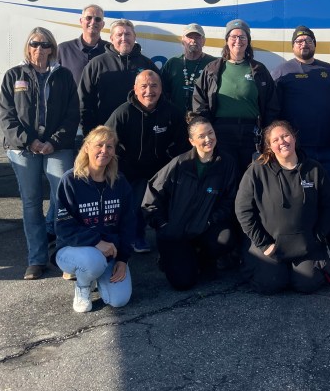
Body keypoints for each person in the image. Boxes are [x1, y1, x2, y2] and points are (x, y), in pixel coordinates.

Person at [0, 27, 78, 280]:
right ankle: (36, 259)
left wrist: (53, 142)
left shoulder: (63, 75)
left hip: (57, 146)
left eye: (45, 45)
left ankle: (64, 254)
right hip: (23, 148)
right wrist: (29, 141)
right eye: (35, 44)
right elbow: (6, 115)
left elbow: (72, 113)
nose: (40, 49)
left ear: (52, 48)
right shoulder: (14, 75)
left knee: (62, 197)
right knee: (31, 202)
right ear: (28, 46)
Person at [235, 121, 330, 294]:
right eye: (275, 140)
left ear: (294, 137)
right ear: (269, 146)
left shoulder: (314, 169)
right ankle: (268, 268)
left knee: (307, 284)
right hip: (270, 245)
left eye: (285, 135)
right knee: (271, 284)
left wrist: (318, 237)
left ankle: (298, 271)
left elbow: (328, 205)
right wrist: (264, 243)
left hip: (306, 246)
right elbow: (243, 210)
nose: (282, 141)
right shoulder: (257, 171)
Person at [142, 115, 238, 290]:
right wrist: (163, 225)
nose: (208, 139)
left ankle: (204, 260)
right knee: (183, 283)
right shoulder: (179, 164)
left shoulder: (227, 163)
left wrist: (211, 220)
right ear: (192, 141)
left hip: (204, 229)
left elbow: (230, 200)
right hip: (175, 232)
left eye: (210, 133)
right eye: (202, 136)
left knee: (226, 238)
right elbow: (152, 198)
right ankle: (172, 257)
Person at [106, 70, 188, 254]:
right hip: (130, 170)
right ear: (135, 89)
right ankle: (136, 236)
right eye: (143, 86)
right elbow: (105, 141)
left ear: (161, 89)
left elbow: (183, 144)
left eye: (153, 85)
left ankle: (169, 238)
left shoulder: (172, 112)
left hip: (161, 170)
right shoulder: (122, 113)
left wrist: (171, 163)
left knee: (168, 203)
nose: (148, 91)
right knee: (135, 203)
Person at [54, 126, 135, 312]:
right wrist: (96, 241)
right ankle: (83, 285)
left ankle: (96, 275)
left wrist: (123, 259)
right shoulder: (70, 180)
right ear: (87, 148)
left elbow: (128, 224)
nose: (104, 151)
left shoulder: (120, 182)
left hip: (109, 252)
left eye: (109, 146)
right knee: (93, 261)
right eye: (99, 145)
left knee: (119, 300)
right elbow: (63, 227)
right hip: (73, 249)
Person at [271, 26, 330, 221]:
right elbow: (272, 111)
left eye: (308, 40)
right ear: (293, 46)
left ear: (315, 44)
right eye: (299, 41)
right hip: (299, 150)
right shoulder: (282, 72)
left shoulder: (329, 71)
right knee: (303, 197)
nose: (304, 44)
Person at [192, 18, 279, 177]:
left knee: (250, 176)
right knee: (224, 176)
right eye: (233, 36)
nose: (237, 40)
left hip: (251, 134)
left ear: (248, 41)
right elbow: (200, 103)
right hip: (221, 133)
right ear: (226, 41)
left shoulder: (259, 70)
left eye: (242, 37)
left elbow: (272, 105)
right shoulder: (212, 69)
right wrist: (205, 132)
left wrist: (268, 135)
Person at [79, 18, 156, 136]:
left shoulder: (147, 64)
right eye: (119, 35)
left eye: (128, 34)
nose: (124, 38)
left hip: (140, 133)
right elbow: (84, 101)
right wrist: (89, 133)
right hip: (105, 134)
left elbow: (159, 97)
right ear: (111, 39)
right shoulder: (96, 64)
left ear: (134, 37)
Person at [161, 23, 216, 112]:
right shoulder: (172, 63)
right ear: (183, 41)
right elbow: (162, 92)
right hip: (176, 119)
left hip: (202, 120)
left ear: (204, 41)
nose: (193, 40)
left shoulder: (213, 64)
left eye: (197, 37)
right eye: (189, 37)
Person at [58, 4, 108, 86]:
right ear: (81, 21)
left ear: (102, 24)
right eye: (89, 18)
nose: (93, 22)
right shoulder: (64, 49)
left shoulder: (110, 50)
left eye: (98, 19)